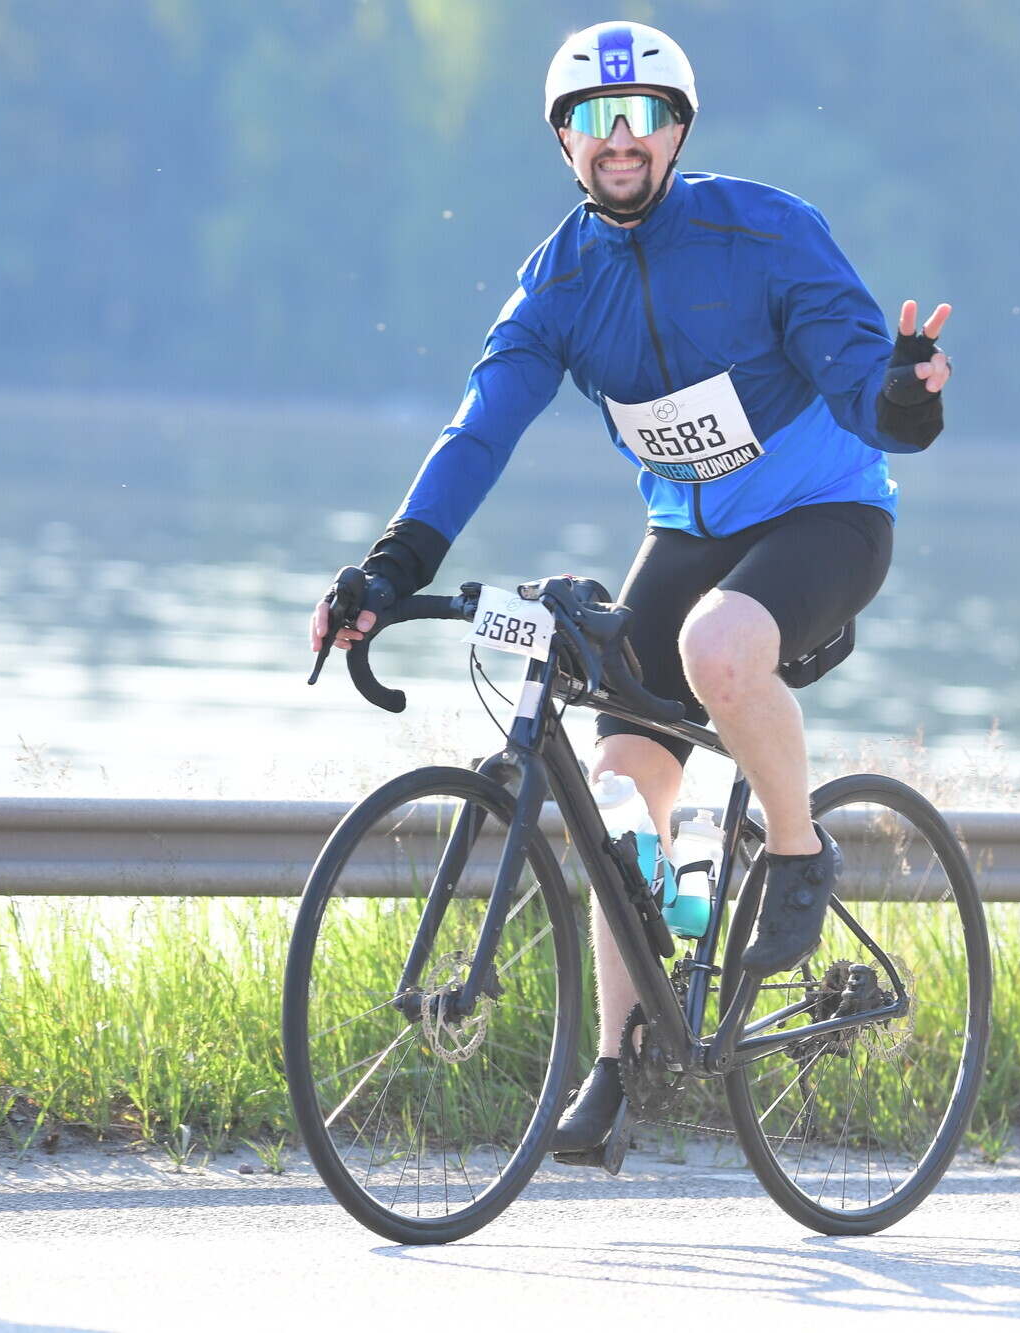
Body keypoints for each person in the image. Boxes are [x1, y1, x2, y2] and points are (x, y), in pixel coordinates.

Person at [308, 19, 952, 1156]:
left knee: (714, 648)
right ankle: (615, 1062)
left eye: (642, 116)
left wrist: (902, 398)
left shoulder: (763, 233)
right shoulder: (558, 284)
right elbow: (479, 431)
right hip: (689, 530)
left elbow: (862, 378)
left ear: (677, 133)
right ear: (563, 142)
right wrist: (394, 564)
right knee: (616, 787)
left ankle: (798, 852)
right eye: (595, 120)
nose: (620, 139)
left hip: (827, 514)